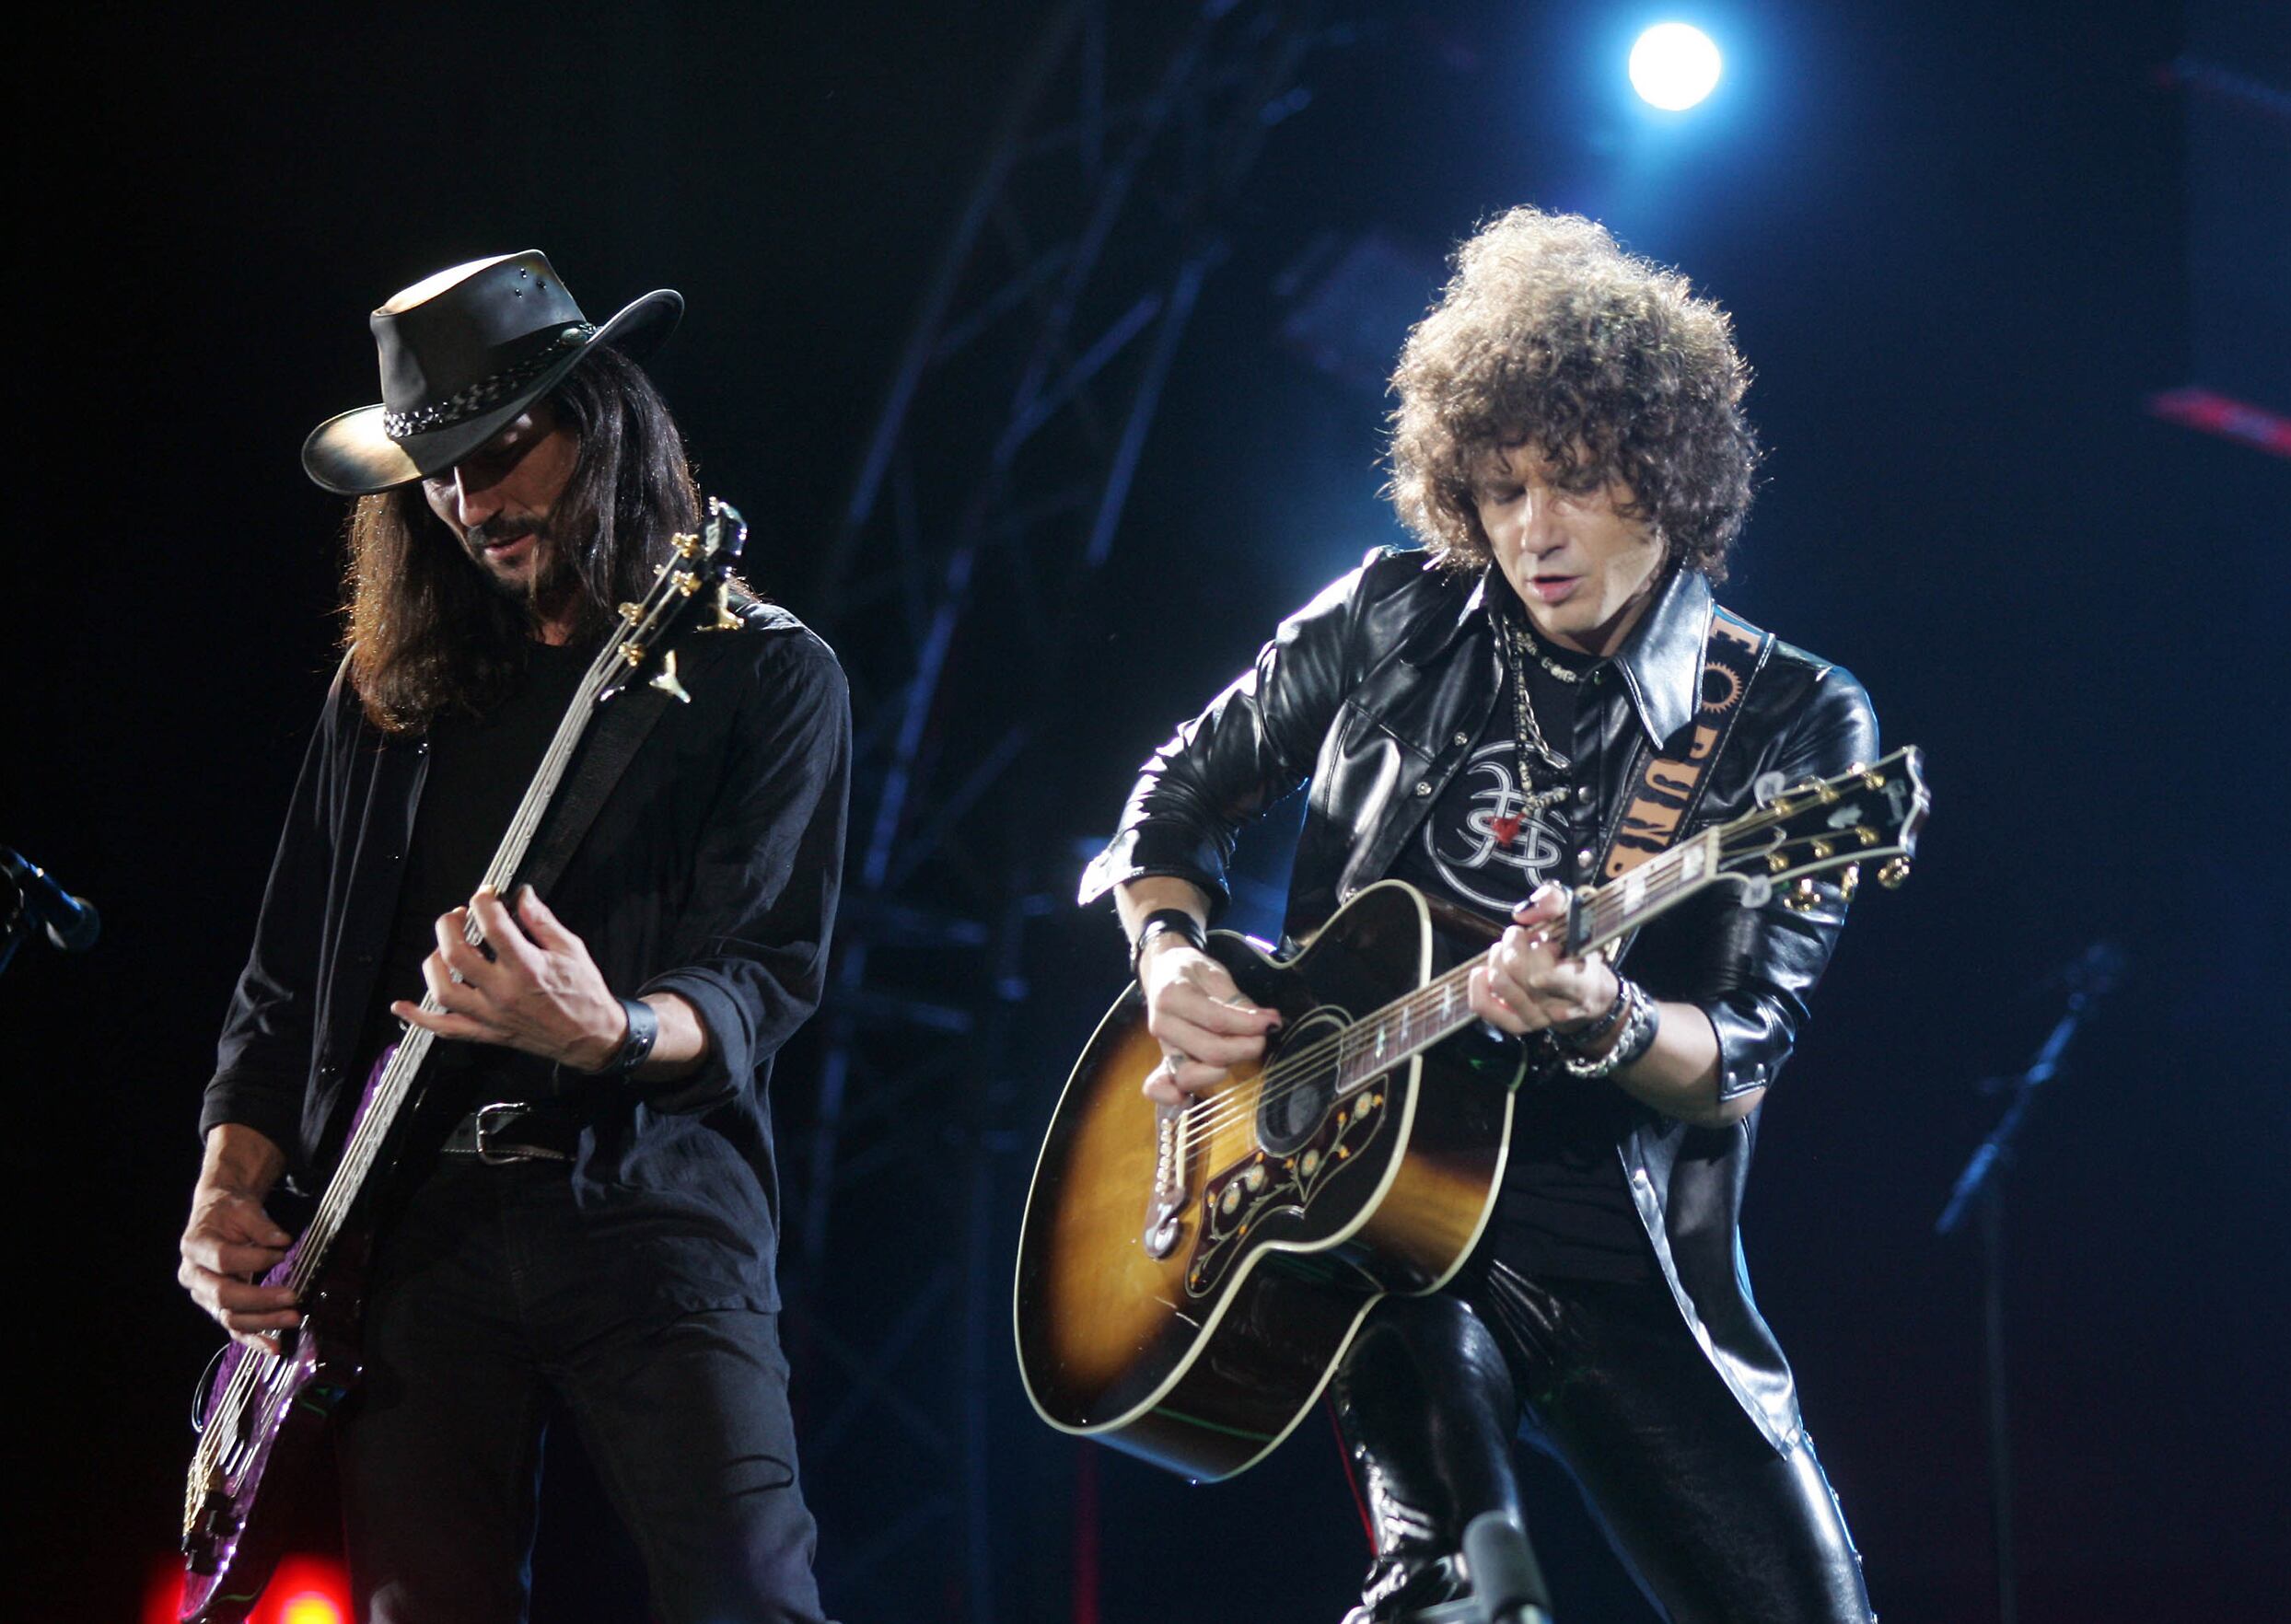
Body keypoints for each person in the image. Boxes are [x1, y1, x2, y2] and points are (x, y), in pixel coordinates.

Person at [1081, 208, 1878, 1623]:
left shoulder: (1792, 719)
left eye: (1574, 482)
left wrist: (1610, 1013)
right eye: (1500, 491)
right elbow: (1173, 799)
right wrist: (1167, 950)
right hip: (1373, 1212)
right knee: (1454, 1591)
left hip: (1619, 1254)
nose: (1534, 532)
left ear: (1670, 474)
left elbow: (1745, 1057)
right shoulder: (1395, 614)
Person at [175, 250, 850, 1624]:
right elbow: (284, 971)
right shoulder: (392, 688)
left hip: (650, 1211)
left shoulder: (762, 668)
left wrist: (606, 1029)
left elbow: (764, 969)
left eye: (506, 450)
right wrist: (226, 1181)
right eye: (439, 473)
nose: (474, 504)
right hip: (408, 1243)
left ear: (600, 416)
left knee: (748, 1601)